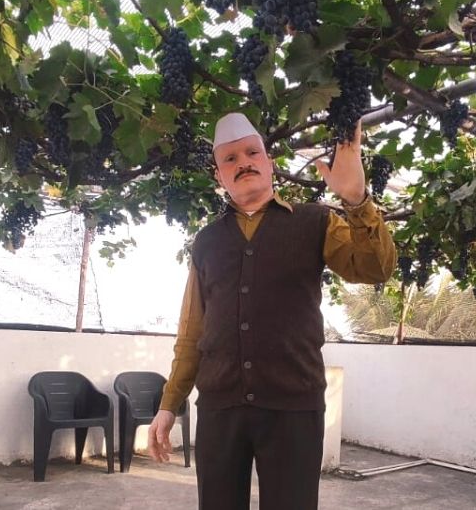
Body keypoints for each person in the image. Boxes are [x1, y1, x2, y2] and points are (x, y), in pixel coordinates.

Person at [147, 112, 395, 509]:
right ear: (218, 176)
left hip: (294, 405)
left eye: (252, 153)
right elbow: (193, 331)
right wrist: (167, 404)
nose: (243, 162)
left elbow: (375, 268)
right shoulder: (206, 242)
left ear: (269, 164)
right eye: (230, 158)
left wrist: (356, 201)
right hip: (220, 406)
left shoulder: (316, 221)